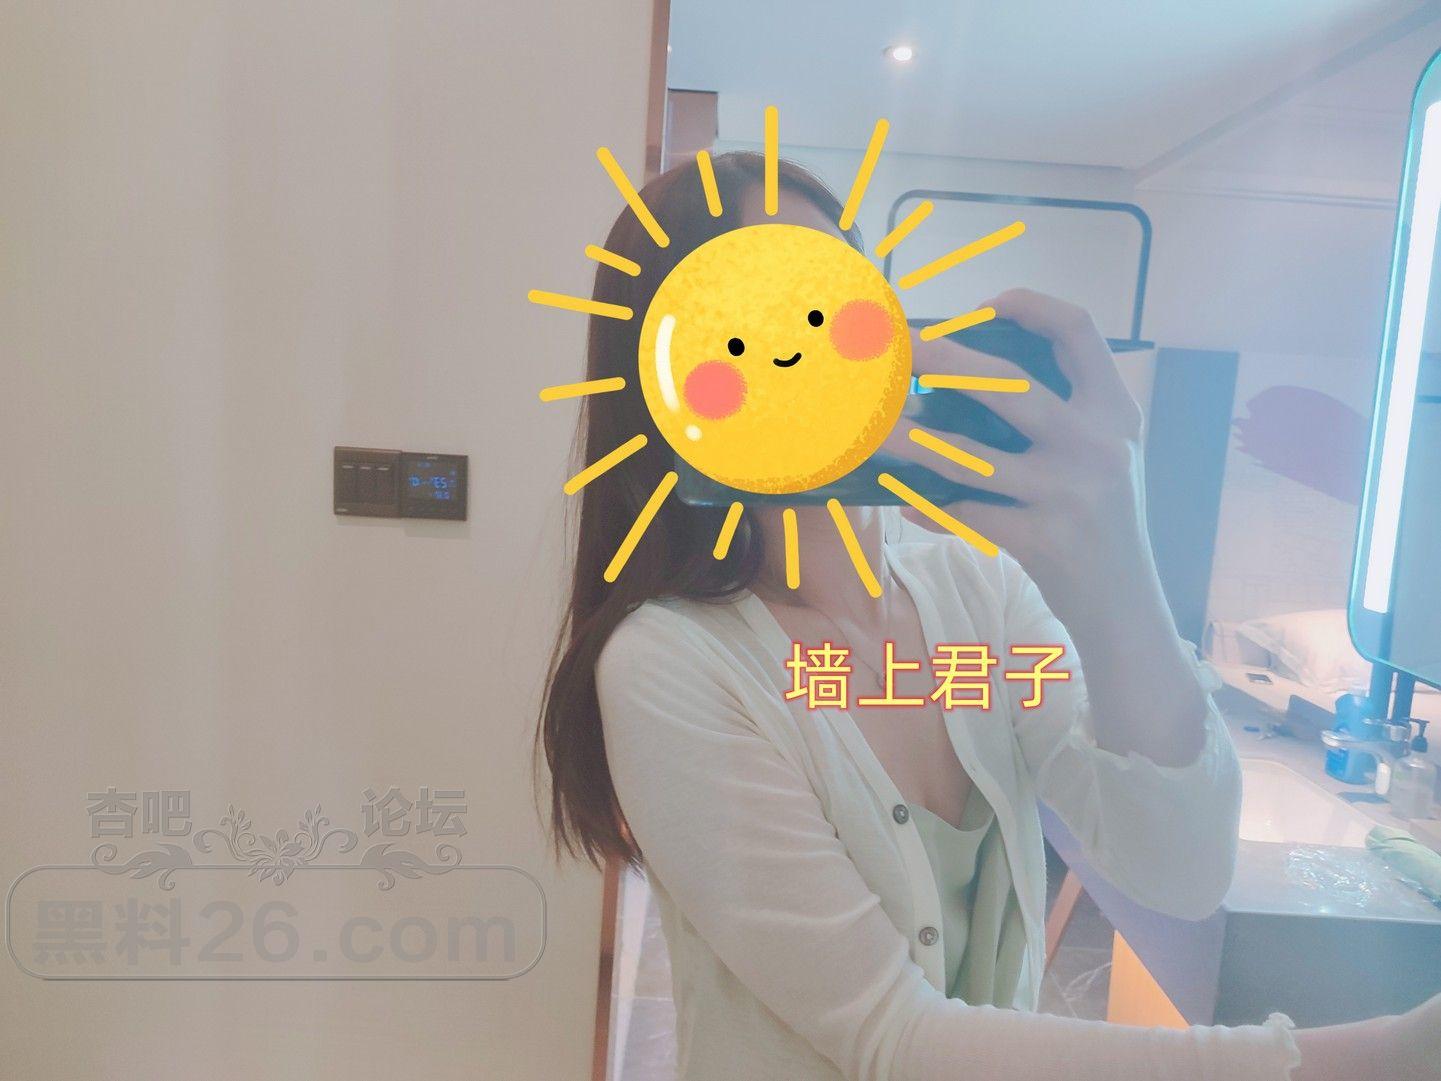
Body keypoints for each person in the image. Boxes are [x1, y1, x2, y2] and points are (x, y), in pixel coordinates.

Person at [538, 151, 1441, 1081]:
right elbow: (894, 1037)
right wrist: (1362, 1060)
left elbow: (1179, 871)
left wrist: (1118, 569)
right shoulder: (669, 662)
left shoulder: (983, 594)